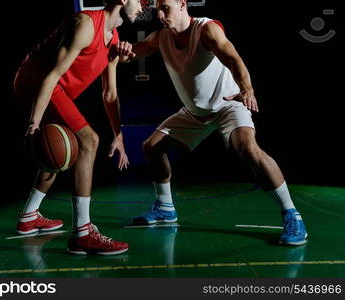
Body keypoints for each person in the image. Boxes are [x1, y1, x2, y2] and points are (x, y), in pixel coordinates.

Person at [121, 0, 307, 246]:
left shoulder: (206, 30)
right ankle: (165, 208)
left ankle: (292, 214)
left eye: (165, 7)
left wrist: (247, 89)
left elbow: (234, 59)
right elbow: (132, 54)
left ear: (182, 4)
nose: (160, 14)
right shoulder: (161, 37)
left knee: (248, 149)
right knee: (152, 146)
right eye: (157, 9)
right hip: (193, 112)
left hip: (227, 104)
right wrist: (121, 50)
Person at [13, 0, 142, 255]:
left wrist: (119, 135)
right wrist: (34, 122)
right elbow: (51, 76)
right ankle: (83, 233)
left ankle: (29, 216)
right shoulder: (85, 24)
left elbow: (109, 94)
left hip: (55, 88)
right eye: (140, 0)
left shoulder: (113, 37)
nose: (143, 5)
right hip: (37, 84)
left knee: (61, 149)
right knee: (88, 141)